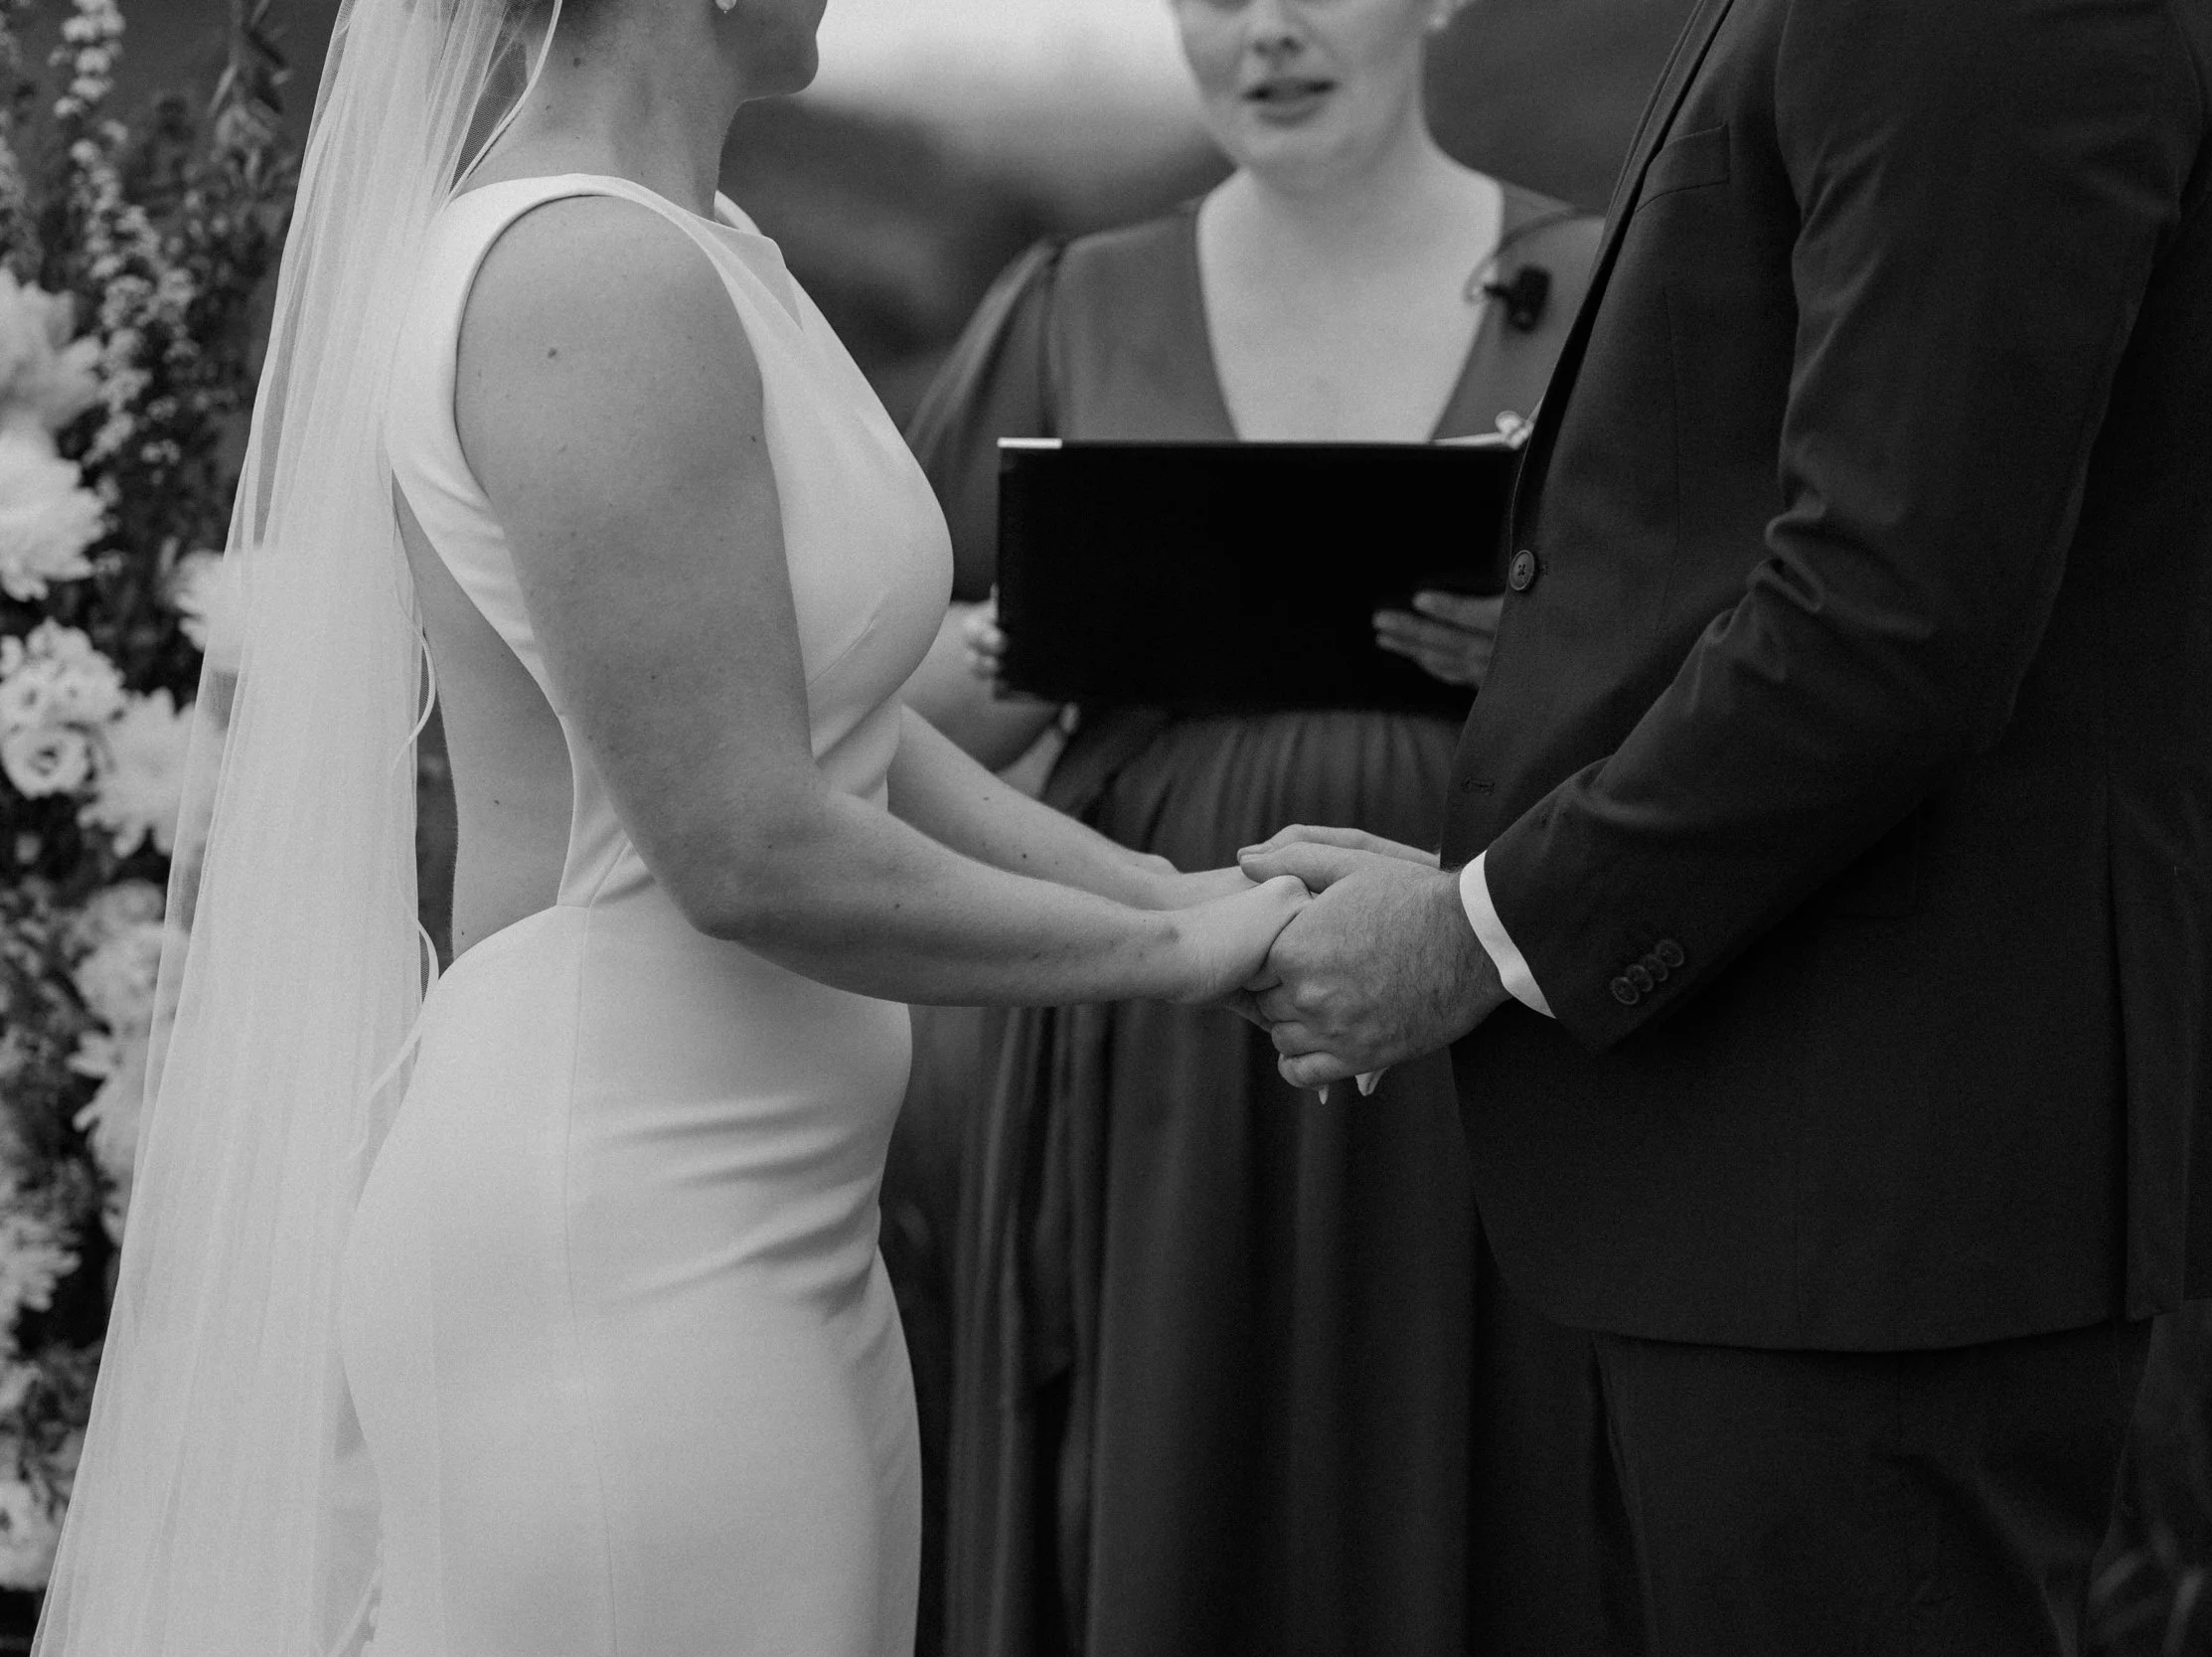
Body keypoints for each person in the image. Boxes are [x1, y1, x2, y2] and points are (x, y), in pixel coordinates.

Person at [32, 3, 1308, 1655]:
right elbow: (745, 846)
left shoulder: (708, 247)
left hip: (775, 1223)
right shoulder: (582, 279)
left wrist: (1164, 885)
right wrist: (1173, 957)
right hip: (621, 1236)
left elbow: (842, 724)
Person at [1240, 0, 2212, 1650]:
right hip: (1796, 1174)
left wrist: (1484, 932)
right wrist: (1493, 875)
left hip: (1871, 1189)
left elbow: (1889, 617)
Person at [898, 2, 1627, 1654]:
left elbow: (1734, 679)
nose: (1269, 31)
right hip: (1153, 1044)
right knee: (1170, 1494)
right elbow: (874, 714)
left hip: (1498, 1034)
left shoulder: (1609, 288)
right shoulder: (1074, 303)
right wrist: (1033, 638)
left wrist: (1557, 654)